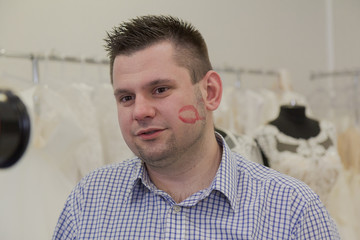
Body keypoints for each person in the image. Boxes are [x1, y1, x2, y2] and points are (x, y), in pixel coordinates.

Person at [52, 15, 340, 239]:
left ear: (210, 92)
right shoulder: (88, 200)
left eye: (160, 89)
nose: (140, 111)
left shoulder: (292, 210)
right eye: (126, 97)